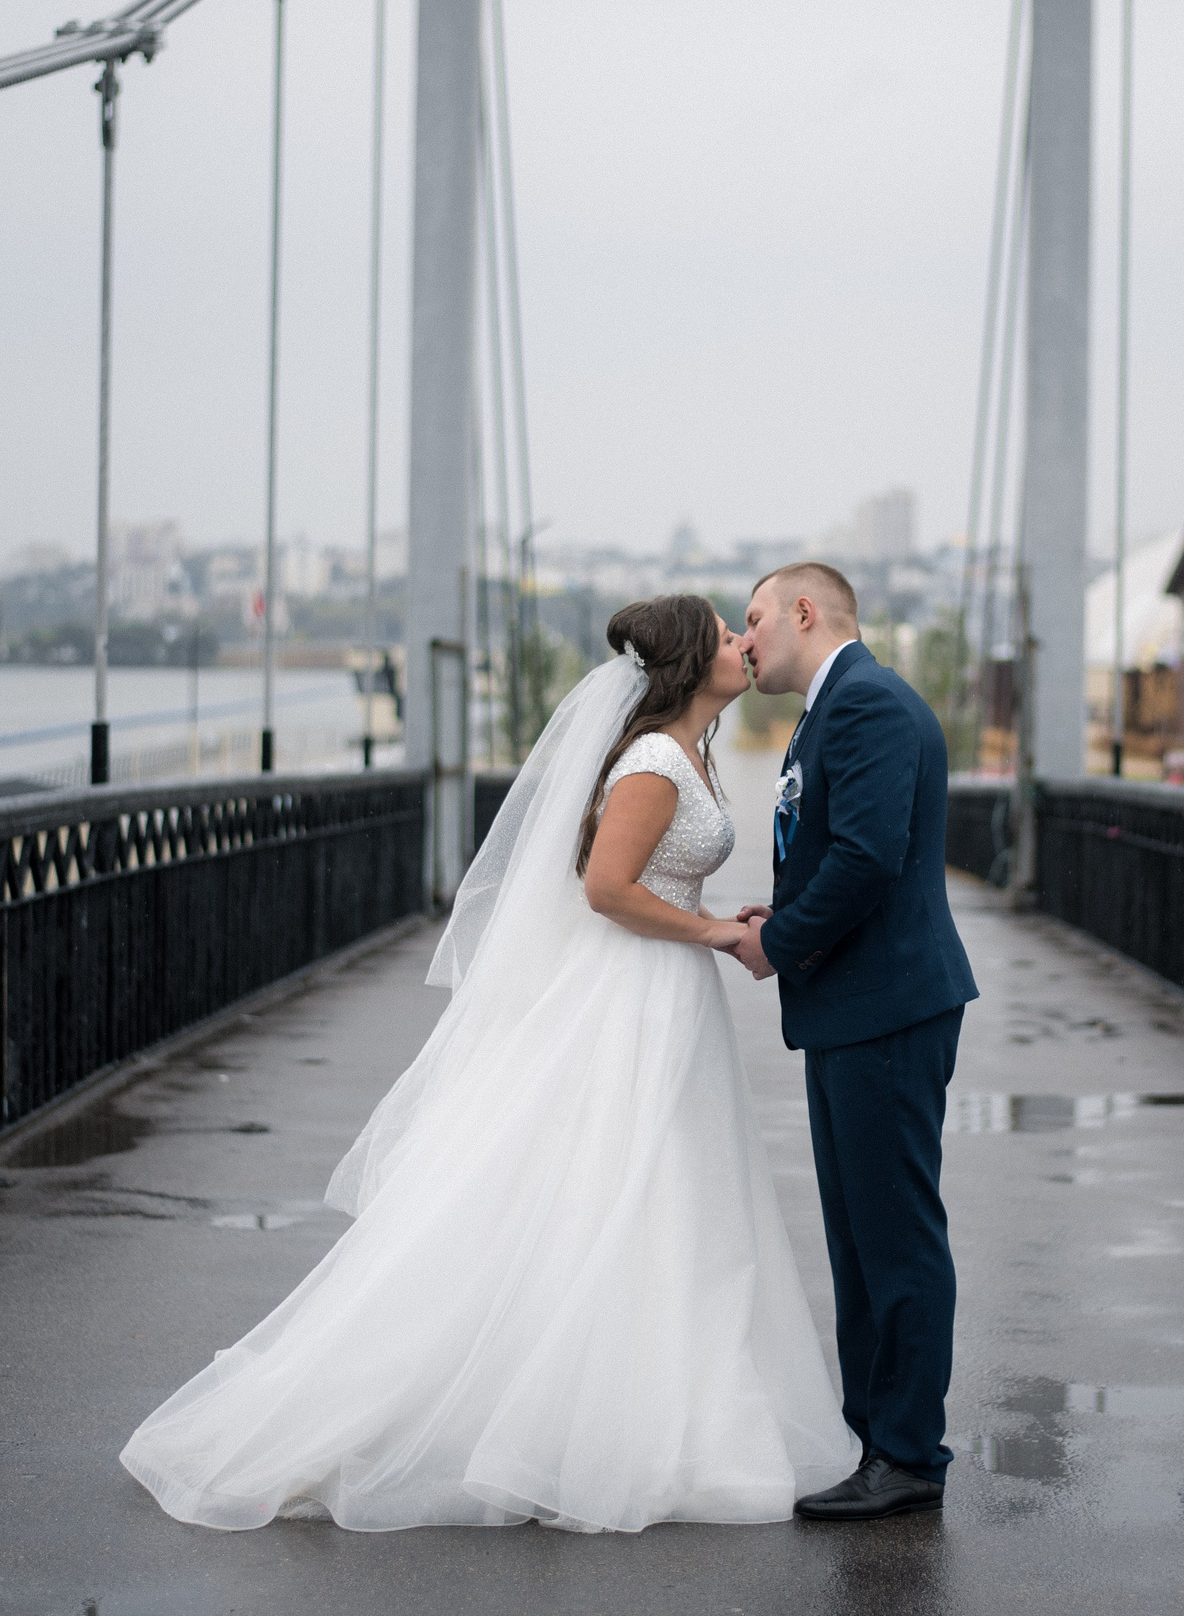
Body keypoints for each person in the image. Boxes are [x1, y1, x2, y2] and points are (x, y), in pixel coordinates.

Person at [121, 594, 856, 1533]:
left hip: (668, 996)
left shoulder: (692, 750)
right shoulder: (655, 757)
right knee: (609, 1189)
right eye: (723, 634)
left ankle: (643, 1408)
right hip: (628, 996)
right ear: (686, 661)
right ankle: (579, 1424)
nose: (742, 643)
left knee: (664, 1198)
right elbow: (604, 888)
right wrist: (714, 929)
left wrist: (725, 918)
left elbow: (656, 874)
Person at [729, 561, 979, 1523]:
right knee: (860, 1236)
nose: (744, 640)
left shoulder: (868, 703)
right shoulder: (835, 706)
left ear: (804, 609)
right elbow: (836, 845)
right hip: (856, 1003)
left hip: (885, 1006)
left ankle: (908, 1452)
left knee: (895, 1234)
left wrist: (777, 944)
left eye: (753, 620)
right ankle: (879, 1437)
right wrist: (783, 911)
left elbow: (870, 858)